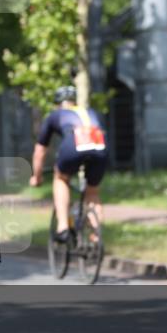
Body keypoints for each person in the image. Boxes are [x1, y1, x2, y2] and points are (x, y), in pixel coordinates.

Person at [29, 86, 107, 243]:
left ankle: (63, 227)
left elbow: (40, 151)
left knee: (61, 179)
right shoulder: (89, 111)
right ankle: (96, 236)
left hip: (74, 143)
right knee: (92, 191)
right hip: (99, 145)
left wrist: (36, 177)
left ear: (57, 103)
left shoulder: (55, 115)